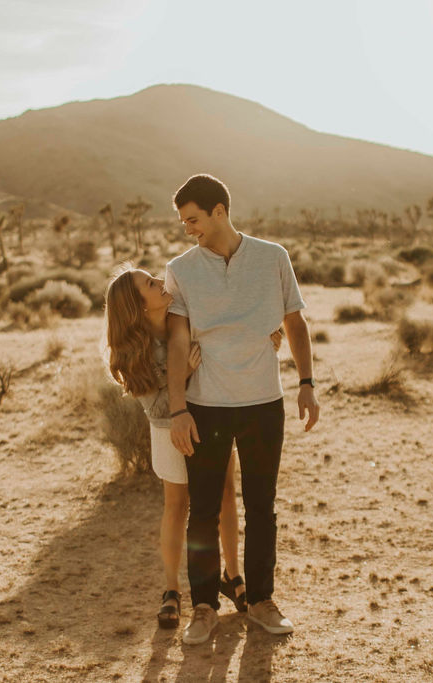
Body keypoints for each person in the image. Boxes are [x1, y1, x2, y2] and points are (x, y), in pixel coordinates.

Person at [164, 174, 320, 645]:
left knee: (262, 507)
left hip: (263, 403)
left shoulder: (273, 258)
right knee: (204, 512)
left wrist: (307, 384)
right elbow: (175, 342)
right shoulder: (181, 268)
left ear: (219, 211)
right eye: (183, 222)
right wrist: (178, 409)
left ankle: (261, 602)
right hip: (205, 406)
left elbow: (295, 322)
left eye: (193, 219)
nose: (188, 229)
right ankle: (205, 608)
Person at [103, 267, 282, 628]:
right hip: (169, 431)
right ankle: (171, 590)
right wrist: (181, 375)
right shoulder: (133, 352)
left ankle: (233, 577)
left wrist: (264, 337)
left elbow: (227, 332)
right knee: (179, 505)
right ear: (138, 307)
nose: (159, 282)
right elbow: (154, 407)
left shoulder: (183, 318)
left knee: (226, 495)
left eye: (154, 277)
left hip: (211, 421)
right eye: (150, 285)